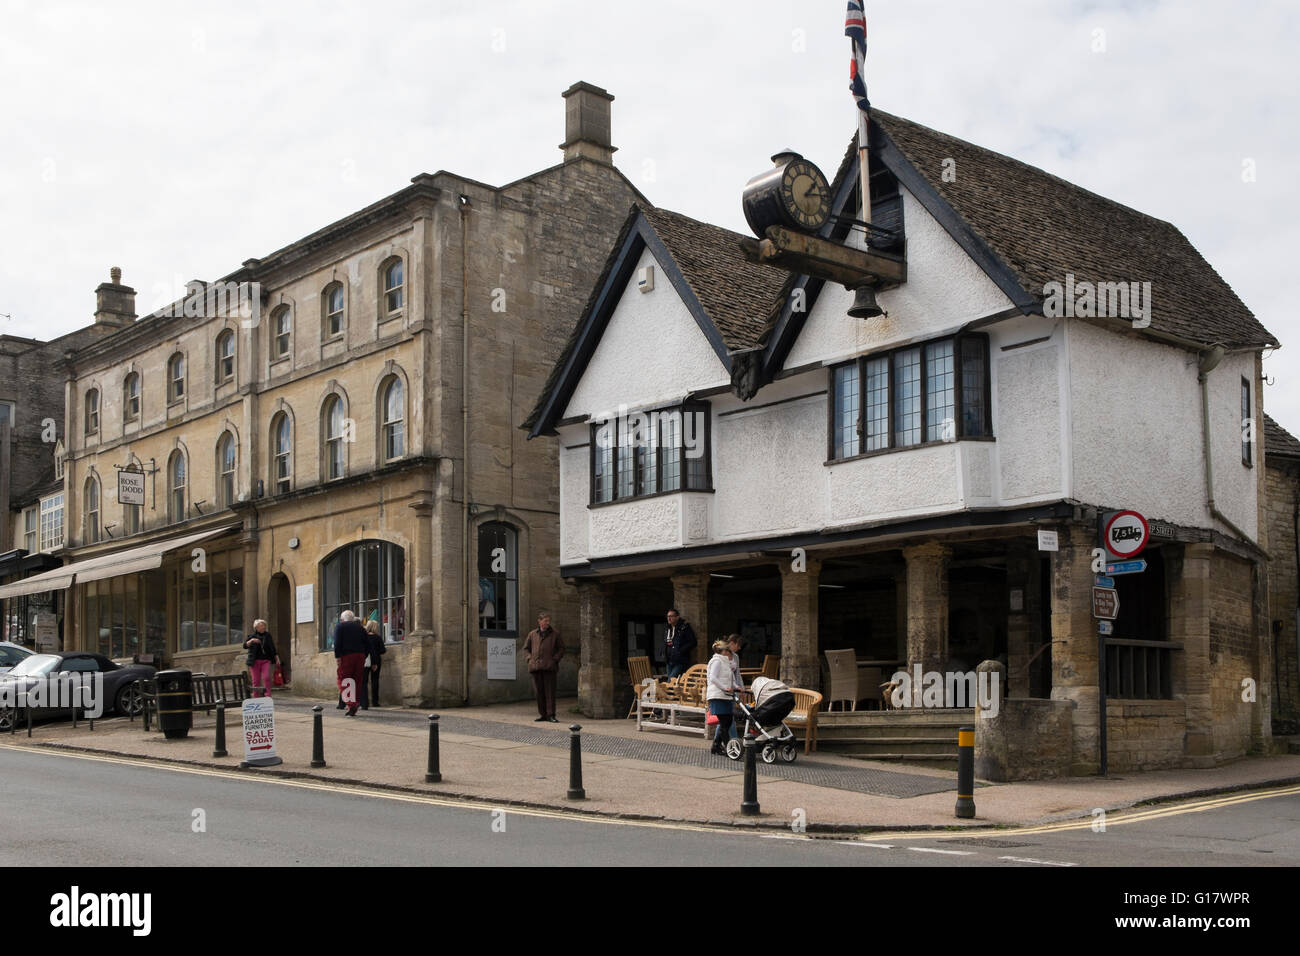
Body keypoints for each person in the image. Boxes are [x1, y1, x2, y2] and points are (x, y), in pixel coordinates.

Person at [523, 612, 564, 722]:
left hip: (549, 667)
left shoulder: (555, 634)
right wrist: (529, 658)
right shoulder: (532, 634)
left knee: (550, 692)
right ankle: (543, 714)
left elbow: (561, 649)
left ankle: (551, 715)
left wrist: (555, 659)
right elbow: (526, 648)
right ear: (539, 621)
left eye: (548, 621)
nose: (547, 623)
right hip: (535, 668)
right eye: (545, 620)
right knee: (539, 693)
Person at [706, 639, 741, 755]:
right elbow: (713, 678)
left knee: (727, 721)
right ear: (723, 651)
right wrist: (724, 687)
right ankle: (728, 747)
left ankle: (716, 745)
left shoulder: (726, 662)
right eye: (728, 650)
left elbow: (731, 679)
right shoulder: (716, 661)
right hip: (717, 695)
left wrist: (737, 687)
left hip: (725, 696)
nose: (730, 653)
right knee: (725, 721)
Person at [333, 610, 369, 716]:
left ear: (342, 619)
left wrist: (338, 656)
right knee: (357, 681)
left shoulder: (340, 626)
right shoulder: (360, 628)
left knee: (343, 680)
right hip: (360, 656)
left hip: (347, 656)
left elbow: (337, 642)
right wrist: (364, 655)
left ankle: (351, 704)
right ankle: (355, 702)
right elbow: (367, 643)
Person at [243, 620, 279, 698]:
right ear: (256, 627)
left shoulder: (268, 635)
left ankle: (268, 696)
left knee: (266, 677)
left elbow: (272, 647)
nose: (263, 627)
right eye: (261, 626)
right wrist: (252, 641)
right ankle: (256, 697)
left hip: (266, 660)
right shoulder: (251, 636)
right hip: (254, 661)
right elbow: (245, 646)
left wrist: (276, 657)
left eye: (264, 625)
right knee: (256, 681)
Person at [664, 608, 696, 678]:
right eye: (668, 616)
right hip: (669, 661)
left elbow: (693, 642)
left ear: (677, 617)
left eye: (671, 616)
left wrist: (680, 651)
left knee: (670, 682)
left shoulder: (684, 628)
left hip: (680, 661)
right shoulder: (668, 629)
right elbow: (666, 643)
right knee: (673, 683)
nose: (669, 618)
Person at [362, 619, 386, 709]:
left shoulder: (365, 637)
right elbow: (383, 650)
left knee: (364, 681)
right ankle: (375, 701)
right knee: (375, 681)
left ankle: (364, 701)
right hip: (376, 661)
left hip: (366, 660)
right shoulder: (377, 637)